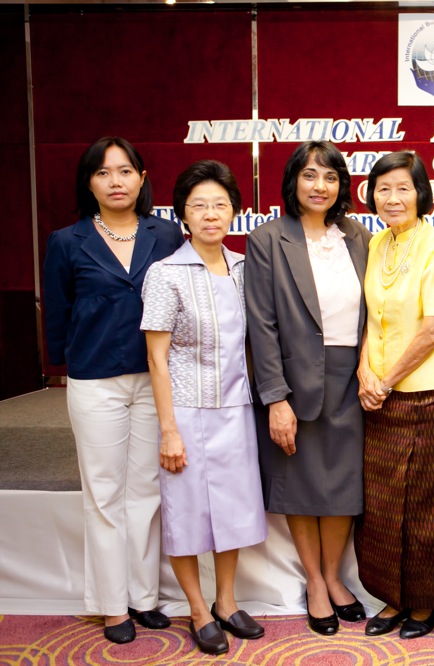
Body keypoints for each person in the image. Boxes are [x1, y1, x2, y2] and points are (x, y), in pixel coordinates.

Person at [43, 137, 183, 644]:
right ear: (89, 182)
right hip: (94, 379)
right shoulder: (66, 240)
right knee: (103, 494)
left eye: (125, 171)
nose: (116, 181)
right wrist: (67, 363)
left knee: (145, 492)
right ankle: (111, 605)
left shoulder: (165, 235)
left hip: (154, 380)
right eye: (104, 173)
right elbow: (57, 314)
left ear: (143, 178)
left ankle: (144, 597)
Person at [245, 141, 371, 636]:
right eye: (310, 176)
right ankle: (315, 583)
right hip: (294, 380)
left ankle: (337, 577)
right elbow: (261, 324)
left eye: (331, 177)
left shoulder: (358, 236)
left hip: (351, 377)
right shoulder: (267, 239)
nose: (320, 187)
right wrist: (275, 397)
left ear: (341, 186)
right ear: (293, 181)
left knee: (343, 484)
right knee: (299, 484)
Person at [142, 160, 267, 655]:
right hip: (187, 411)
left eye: (220, 204)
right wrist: (168, 430)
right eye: (199, 206)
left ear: (234, 210)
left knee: (232, 511)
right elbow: (156, 356)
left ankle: (226, 600)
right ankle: (197, 608)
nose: (211, 214)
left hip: (236, 407)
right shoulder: (165, 273)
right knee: (188, 514)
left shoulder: (244, 268)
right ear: (182, 215)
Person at [354, 151, 434, 640]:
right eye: (382, 188)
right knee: (382, 505)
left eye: (403, 187)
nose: (392, 197)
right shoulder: (376, 242)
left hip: (430, 394)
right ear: (370, 194)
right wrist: (363, 373)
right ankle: (393, 598)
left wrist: (387, 379)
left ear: (421, 192)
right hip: (379, 395)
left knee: (427, 505)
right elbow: (370, 319)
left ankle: (424, 604)